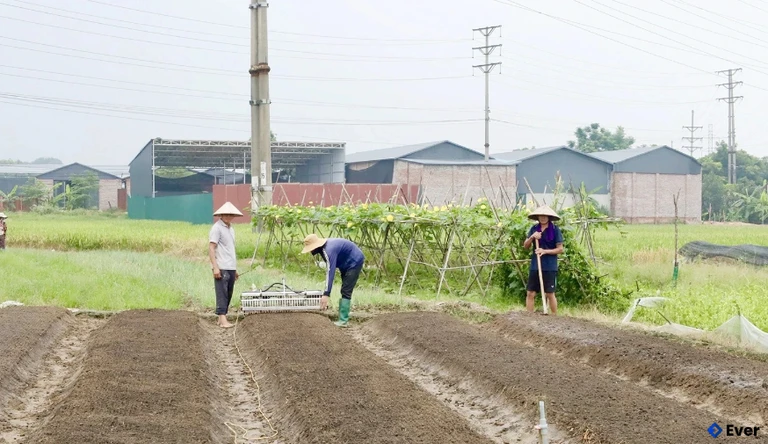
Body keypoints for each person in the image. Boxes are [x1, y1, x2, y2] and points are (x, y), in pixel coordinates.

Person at [301, 234, 365, 327]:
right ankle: (342, 317)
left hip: (354, 261)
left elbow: (330, 272)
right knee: (344, 289)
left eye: (311, 249)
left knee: (346, 290)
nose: (310, 251)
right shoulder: (324, 249)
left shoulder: (328, 250)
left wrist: (326, 294)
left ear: (315, 247)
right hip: (346, 262)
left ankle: (343, 321)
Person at [522, 205, 564, 315]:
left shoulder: (555, 230)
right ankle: (529, 317)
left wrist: (544, 251)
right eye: (541, 215)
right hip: (536, 265)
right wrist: (532, 237)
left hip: (550, 266)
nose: (543, 218)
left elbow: (560, 249)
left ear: (549, 217)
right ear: (538, 217)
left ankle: (554, 317)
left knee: (550, 293)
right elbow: (525, 246)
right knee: (530, 293)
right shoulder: (534, 229)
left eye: (545, 216)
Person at [209, 202, 243, 328]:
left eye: (230, 214)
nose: (228, 216)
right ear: (221, 215)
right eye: (226, 214)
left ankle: (221, 319)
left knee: (228, 292)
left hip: (230, 266)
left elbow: (230, 249)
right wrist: (215, 267)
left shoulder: (231, 229)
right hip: (222, 266)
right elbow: (211, 248)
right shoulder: (217, 228)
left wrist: (235, 269)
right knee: (221, 292)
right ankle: (223, 320)